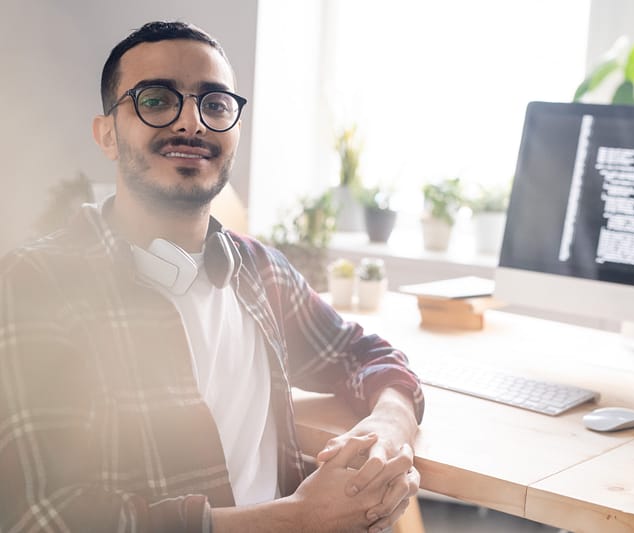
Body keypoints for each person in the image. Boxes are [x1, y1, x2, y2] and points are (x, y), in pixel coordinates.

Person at [0, 20, 424, 533]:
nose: (192, 124)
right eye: (157, 100)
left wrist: (390, 422)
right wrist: (298, 519)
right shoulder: (35, 283)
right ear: (107, 134)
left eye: (215, 105)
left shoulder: (261, 272)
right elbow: (39, 517)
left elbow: (368, 356)